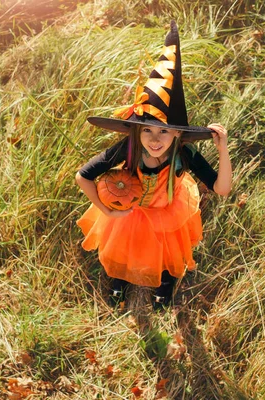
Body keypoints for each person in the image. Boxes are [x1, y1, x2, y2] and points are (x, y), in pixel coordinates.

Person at [75, 21, 232, 311]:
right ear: (136, 131)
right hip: (131, 211)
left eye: (164, 131)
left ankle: (164, 285)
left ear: (177, 134)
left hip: (166, 212)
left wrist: (222, 149)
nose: (155, 139)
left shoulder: (185, 154)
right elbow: (83, 176)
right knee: (123, 249)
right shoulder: (129, 148)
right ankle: (120, 281)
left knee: (164, 253)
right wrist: (106, 208)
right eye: (147, 130)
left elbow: (221, 189)